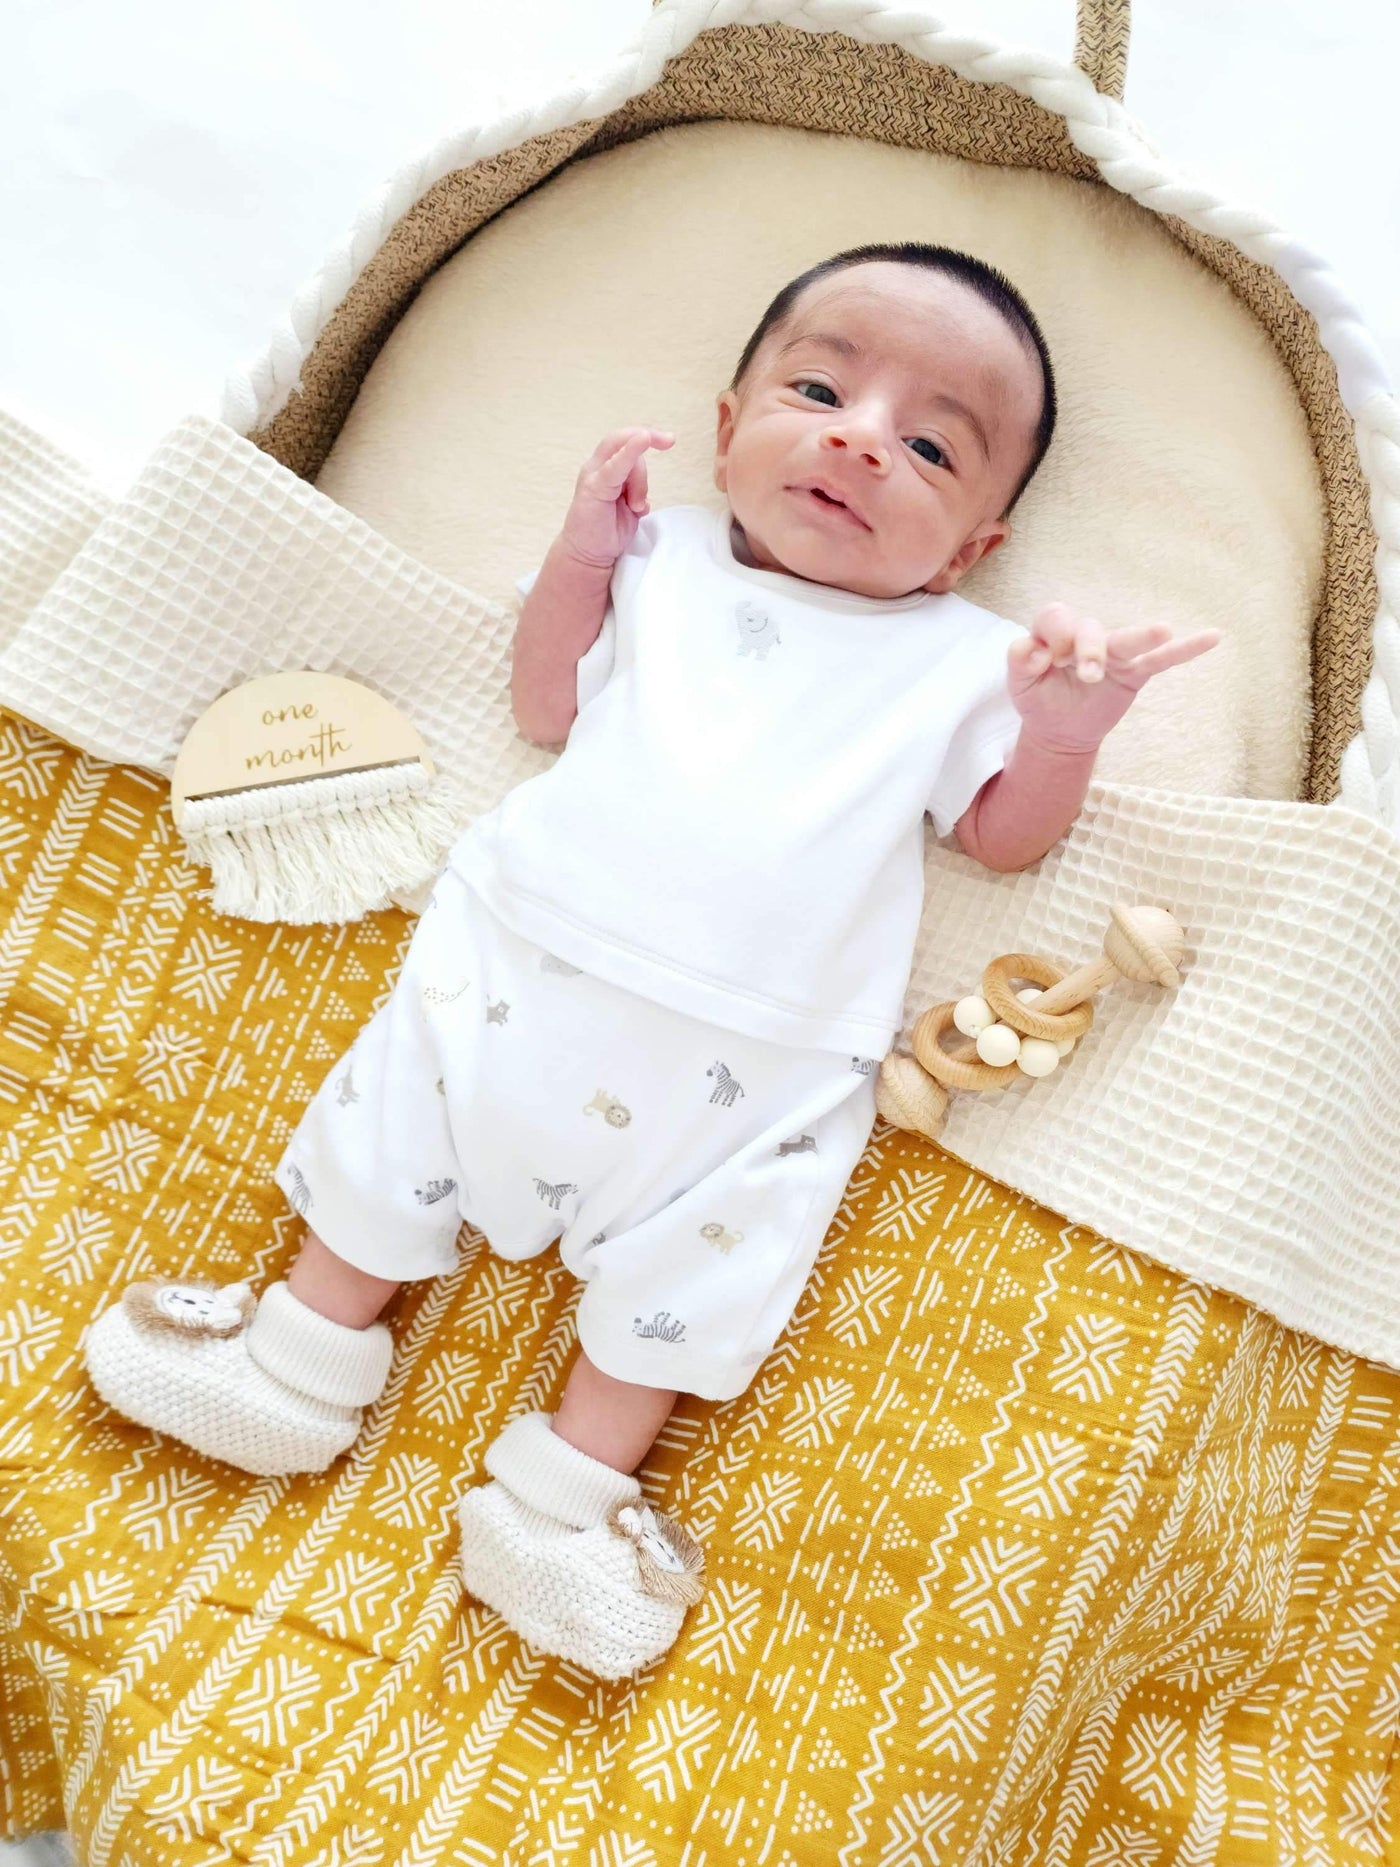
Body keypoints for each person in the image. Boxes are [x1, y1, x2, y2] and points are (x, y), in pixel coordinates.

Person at [83, 242, 1220, 1681]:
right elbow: (545, 703)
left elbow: (1000, 844)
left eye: (932, 446)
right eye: (820, 387)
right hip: (528, 956)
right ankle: (297, 1352)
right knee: (404, 1114)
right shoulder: (660, 561)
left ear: (974, 547)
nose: (863, 437)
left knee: (712, 1258)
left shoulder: (965, 663)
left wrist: (1065, 731)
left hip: (758, 1059)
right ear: (731, 421)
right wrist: (580, 556)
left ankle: (564, 1503)